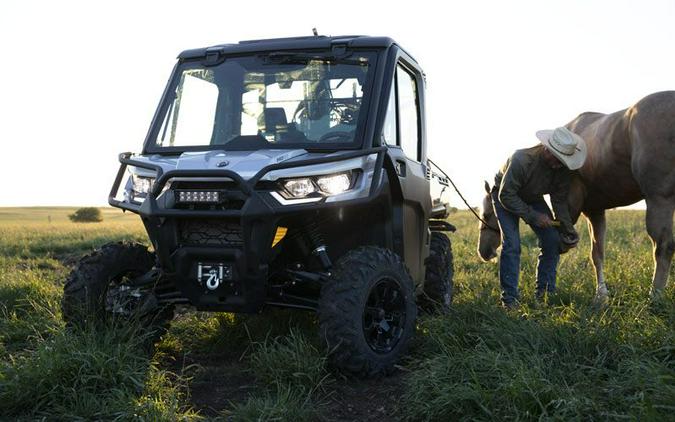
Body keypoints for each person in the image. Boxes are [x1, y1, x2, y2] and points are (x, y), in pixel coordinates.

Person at [491, 127, 587, 308]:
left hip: (532, 197)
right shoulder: (521, 159)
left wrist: (568, 229)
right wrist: (533, 216)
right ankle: (509, 300)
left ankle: (544, 295)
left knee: (552, 240)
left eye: (563, 161)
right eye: (557, 159)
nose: (559, 165)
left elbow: (559, 200)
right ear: (547, 149)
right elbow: (506, 196)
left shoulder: (563, 169)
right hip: (505, 196)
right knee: (512, 244)